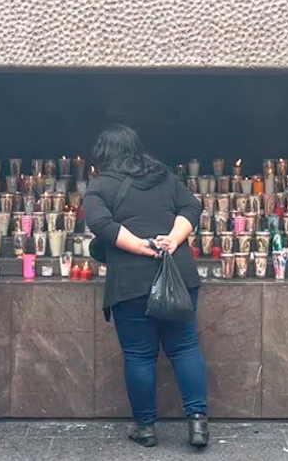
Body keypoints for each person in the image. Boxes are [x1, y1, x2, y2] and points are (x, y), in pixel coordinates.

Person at [83, 125, 209, 449]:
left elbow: (100, 224)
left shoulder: (99, 186)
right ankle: (197, 424)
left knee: (139, 356)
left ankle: (146, 428)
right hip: (177, 273)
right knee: (184, 348)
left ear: (103, 154)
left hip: (131, 282)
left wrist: (140, 246)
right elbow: (192, 207)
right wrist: (173, 240)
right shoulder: (164, 177)